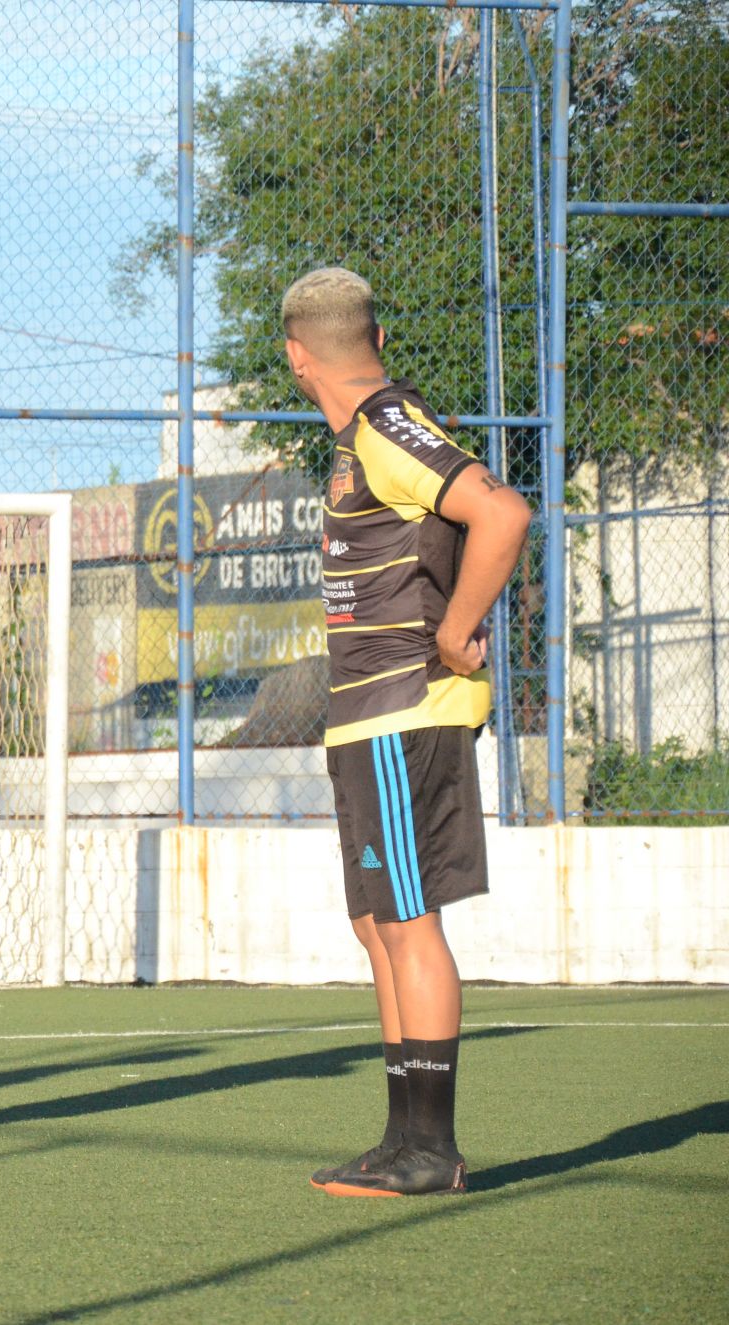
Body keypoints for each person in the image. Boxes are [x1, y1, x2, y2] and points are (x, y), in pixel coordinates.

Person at [283, 267, 531, 1197]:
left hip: (405, 712)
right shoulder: (363, 438)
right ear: (374, 336)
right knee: (376, 923)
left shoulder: (388, 428)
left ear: (298, 358)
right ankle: (399, 1140)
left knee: (408, 922)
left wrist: (458, 628)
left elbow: (501, 512)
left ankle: (431, 1149)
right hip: (367, 719)